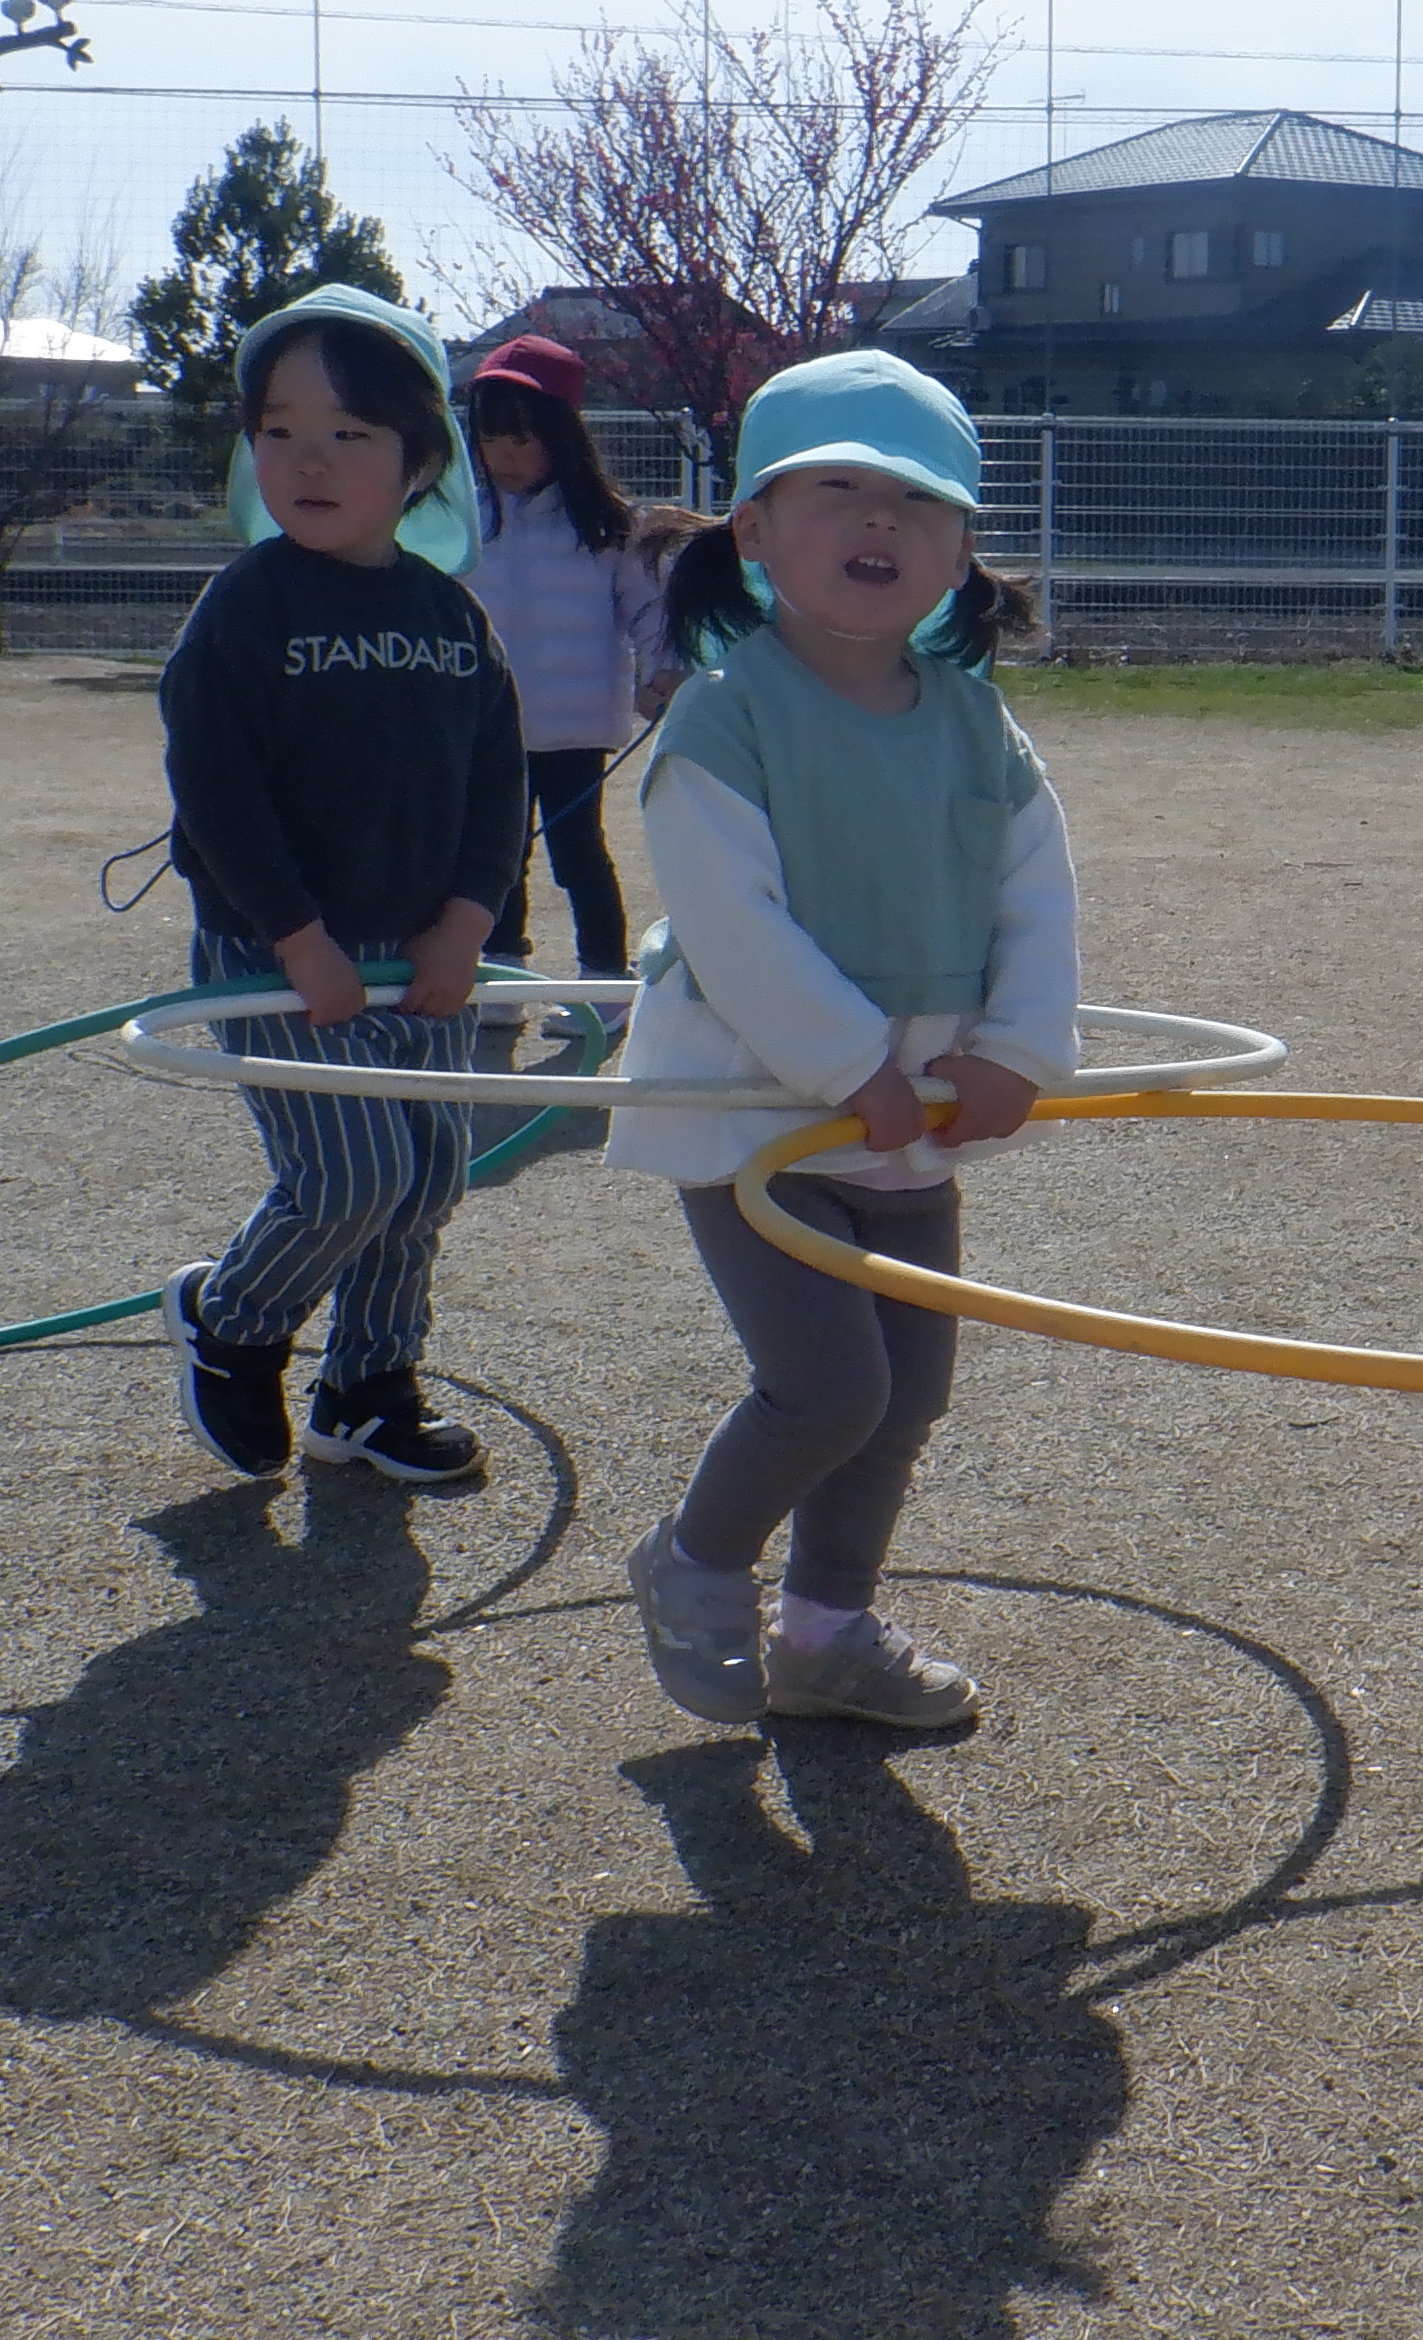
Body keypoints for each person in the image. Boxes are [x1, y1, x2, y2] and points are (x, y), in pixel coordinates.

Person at [600, 349, 1073, 1730]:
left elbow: (1037, 898)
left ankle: (825, 1635)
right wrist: (850, 1065)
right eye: (839, 491)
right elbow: (732, 924)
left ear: (961, 550)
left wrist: (1019, 1050)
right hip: (756, 1106)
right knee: (827, 1389)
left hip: (910, 1110)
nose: (881, 521)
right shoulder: (728, 714)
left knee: (907, 1395)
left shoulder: (979, 724)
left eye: (920, 502)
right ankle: (695, 1564)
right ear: (754, 531)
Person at [154, 286, 528, 1489]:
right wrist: (297, 937)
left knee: (422, 1182)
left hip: (419, 957)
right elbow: (218, 793)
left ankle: (369, 1388)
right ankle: (233, 1319)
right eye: (279, 431)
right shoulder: (247, 607)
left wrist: (467, 923)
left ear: (422, 461)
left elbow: (499, 784)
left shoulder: (452, 617)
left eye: (349, 433)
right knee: (350, 1176)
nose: (308, 460)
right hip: (281, 956)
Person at [455, 333, 675, 985]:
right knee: (496, 858)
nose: (503, 454)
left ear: (561, 434)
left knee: (579, 855)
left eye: (521, 438)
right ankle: (501, 978)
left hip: (574, 727)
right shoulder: (460, 522)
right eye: (490, 437)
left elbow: (649, 610)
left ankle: (603, 981)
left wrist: (663, 670)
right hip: (485, 726)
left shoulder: (607, 525)